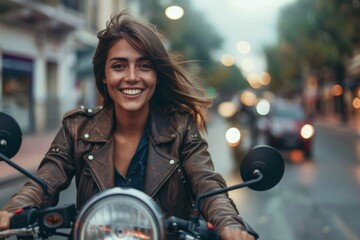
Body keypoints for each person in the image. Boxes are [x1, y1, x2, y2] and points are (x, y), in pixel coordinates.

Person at [0, 11, 256, 240]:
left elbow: (208, 185)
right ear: (104, 75)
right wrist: (11, 211)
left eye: (144, 66)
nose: (132, 77)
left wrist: (229, 225)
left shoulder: (180, 127)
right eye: (119, 66)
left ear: (156, 75)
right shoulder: (77, 128)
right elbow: (43, 183)